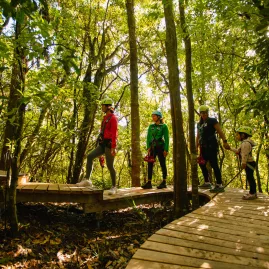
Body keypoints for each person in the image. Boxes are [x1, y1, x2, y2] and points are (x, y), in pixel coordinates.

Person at [77, 97, 118, 195]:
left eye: (103, 106)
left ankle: (114, 186)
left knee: (110, 166)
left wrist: (113, 147)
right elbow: (103, 131)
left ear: (108, 107)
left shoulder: (113, 118)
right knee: (90, 156)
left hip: (109, 144)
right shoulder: (105, 118)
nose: (102, 107)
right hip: (103, 144)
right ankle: (87, 180)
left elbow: (114, 133)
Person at [196, 105, 230, 193]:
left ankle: (219, 184)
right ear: (200, 114)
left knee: (214, 164)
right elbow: (198, 135)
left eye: (205, 113)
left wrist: (225, 141)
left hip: (212, 146)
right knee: (201, 164)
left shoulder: (212, 121)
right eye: (202, 113)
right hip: (203, 147)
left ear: (207, 113)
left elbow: (220, 131)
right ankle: (207, 182)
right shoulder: (199, 124)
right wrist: (196, 146)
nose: (203, 114)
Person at [142, 110, 169, 189]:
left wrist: (166, 149)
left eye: (154, 116)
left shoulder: (164, 126)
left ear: (159, 117)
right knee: (150, 164)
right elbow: (148, 137)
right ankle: (149, 182)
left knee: (162, 163)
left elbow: (167, 139)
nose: (153, 117)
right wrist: (148, 147)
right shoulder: (151, 126)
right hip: (152, 147)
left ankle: (164, 181)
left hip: (160, 147)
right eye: (152, 116)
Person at [230, 126, 257, 200]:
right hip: (249, 163)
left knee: (250, 178)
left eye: (237, 134)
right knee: (250, 177)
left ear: (243, 135)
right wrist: (230, 148)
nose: (236, 136)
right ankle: (252, 192)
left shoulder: (245, 144)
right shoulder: (244, 143)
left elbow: (244, 154)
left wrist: (243, 163)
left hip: (249, 163)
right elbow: (238, 151)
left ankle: (253, 193)